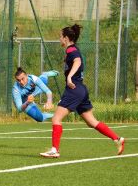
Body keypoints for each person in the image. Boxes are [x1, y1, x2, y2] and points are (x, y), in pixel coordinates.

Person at [40, 24, 125, 158]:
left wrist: (69, 77)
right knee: (91, 122)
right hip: (81, 90)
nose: (59, 39)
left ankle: (54, 150)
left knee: (56, 118)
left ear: (66, 38)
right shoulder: (73, 49)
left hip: (74, 89)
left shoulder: (71, 50)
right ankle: (117, 139)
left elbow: (78, 61)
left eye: (60, 37)